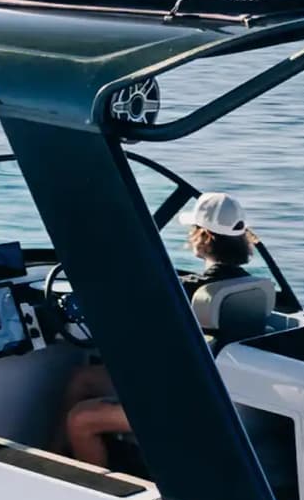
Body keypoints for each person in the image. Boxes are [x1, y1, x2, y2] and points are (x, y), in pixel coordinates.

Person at [60, 192, 259, 466]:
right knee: (83, 378)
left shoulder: (191, 292)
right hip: (208, 390)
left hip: (182, 405)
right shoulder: (248, 287)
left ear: (204, 236)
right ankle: (51, 457)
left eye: (193, 230)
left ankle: (91, 493)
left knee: (80, 420)